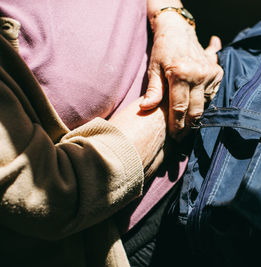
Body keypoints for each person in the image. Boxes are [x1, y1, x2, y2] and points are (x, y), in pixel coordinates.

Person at [0, 0, 222, 266]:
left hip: (205, 129)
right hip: (138, 230)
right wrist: (170, 107)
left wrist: (170, 18)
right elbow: (45, 194)